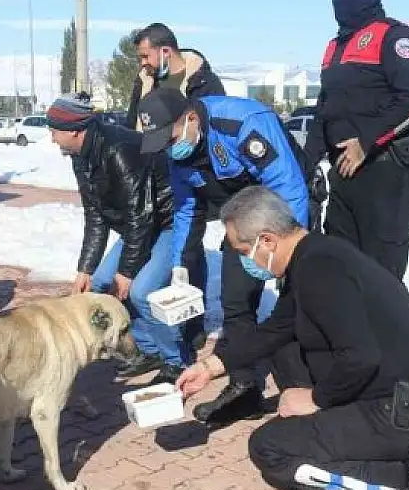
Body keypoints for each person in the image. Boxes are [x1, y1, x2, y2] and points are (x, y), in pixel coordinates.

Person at [176, 185, 409, 490]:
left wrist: (315, 399)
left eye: (245, 251)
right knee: (283, 349)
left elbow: (360, 357)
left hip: (403, 414)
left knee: (269, 447)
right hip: (400, 394)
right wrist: (211, 367)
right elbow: (276, 330)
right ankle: (359, 447)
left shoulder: (321, 272)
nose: (245, 261)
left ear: (268, 240)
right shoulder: (315, 256)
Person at [138, 87, 311, 426]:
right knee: (236, 299)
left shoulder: (242, 123)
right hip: (241, 216)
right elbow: (187, 209)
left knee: (297, 301)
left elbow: (289, 187)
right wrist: (179, 267)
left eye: (169, 139)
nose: (170, 150)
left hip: (288, 209)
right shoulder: (179, 152)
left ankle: (307, 389)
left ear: (190, 118)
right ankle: (245, 386)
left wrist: (283, 251)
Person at [305, 0, 409, 280]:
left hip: (384, 167)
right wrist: (305, 160)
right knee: (339, 267)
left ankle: (386, 331)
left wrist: (366, 140)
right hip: (342, 171)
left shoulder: (395, 37)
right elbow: (325, 107)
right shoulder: (334, 46)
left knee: (380, 272)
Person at [49, 93, 187, 383]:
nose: (51, 138)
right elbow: (95, 216)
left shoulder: (118, 150)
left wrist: (126, 272)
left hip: (166, 223)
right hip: (137, 227)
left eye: (54, 130)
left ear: (75, 130)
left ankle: (176, 360)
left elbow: (142, 216)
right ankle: (145, 350)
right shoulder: (80, 155)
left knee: (140, 291)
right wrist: (84, 268)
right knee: (99, 284)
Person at [125, 22, 226, 365]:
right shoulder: (145, 82)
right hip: (156, 182)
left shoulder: (203, 82)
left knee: (189, 254)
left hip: (190, 181)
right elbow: (134, 130)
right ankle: (159, 336)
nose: (143, 64)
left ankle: (190, 328)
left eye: (145, 56)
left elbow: (212, 135)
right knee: (162, 258)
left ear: (165, 50)